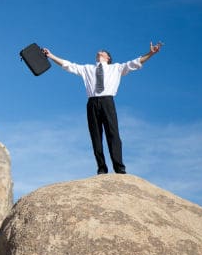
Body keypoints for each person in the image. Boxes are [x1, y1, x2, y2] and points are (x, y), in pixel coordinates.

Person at [42, 42, 162, 174]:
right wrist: (51, 55)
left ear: (108, 58)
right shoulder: (87, 68)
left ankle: (119, 168)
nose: (100, 51)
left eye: (103, 52)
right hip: (92, 103)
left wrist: (151, 53)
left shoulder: (116, 68)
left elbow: (136, 62)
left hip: (107, 101)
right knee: (96, 136)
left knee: (113, 134)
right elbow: (68, 65)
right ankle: (101, 168)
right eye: (99, 52)